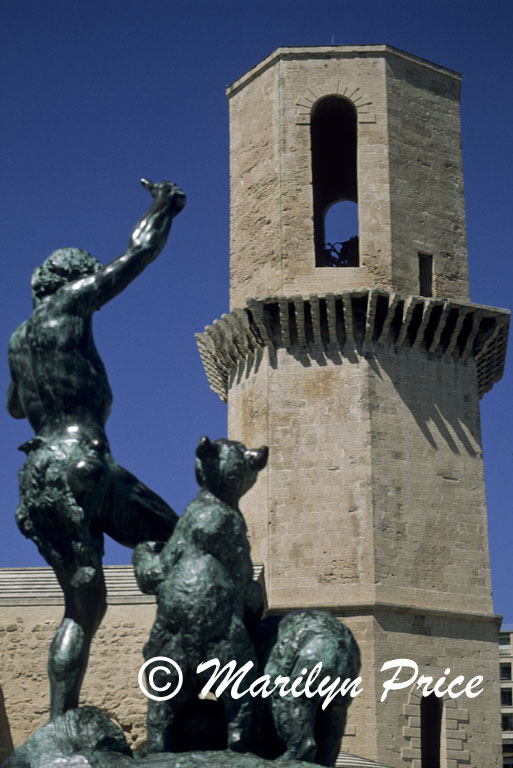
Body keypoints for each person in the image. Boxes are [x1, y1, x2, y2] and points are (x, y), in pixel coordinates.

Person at [7, 179, 185, 719]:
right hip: (82, 459)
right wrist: (164, 206)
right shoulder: (72, 304)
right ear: (72, 280)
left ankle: (59, 724)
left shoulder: (17, 340)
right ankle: (186, 688)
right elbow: (139, 254)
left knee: (81, 611)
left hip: (36, 474)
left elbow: (15, 407)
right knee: (178, 541)